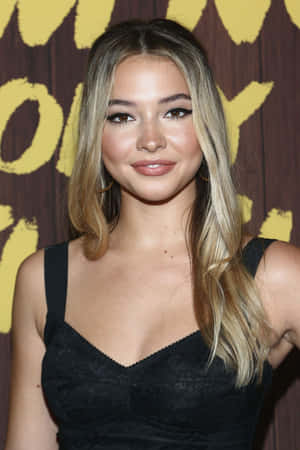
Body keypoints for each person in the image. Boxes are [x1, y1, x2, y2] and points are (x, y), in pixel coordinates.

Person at [5, 18, 300, 450]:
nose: (150, 139)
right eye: (122, 116)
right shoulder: (44, 280)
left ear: (207, 124)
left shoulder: (275, 275)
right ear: (95, 133)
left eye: (175, 111)